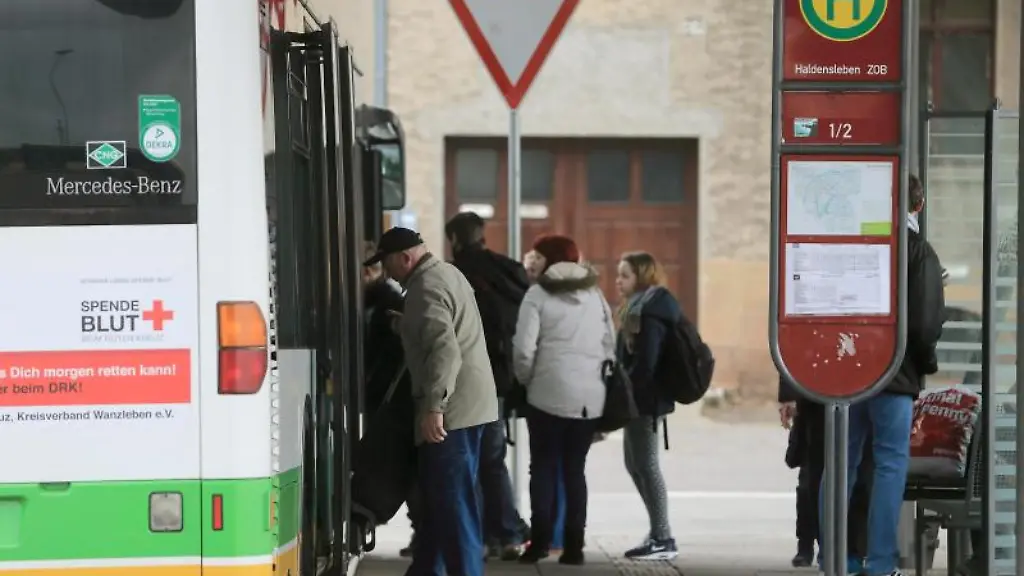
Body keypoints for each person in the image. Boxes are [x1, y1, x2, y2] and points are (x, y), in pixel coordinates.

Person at [817, 174, 945, 576]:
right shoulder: (918, 252)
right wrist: (924, 363)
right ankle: (882, 562)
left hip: (847, 368)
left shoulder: (853, 244)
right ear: (918, 205)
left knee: (841, 463)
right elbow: (924, 327)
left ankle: (837, 558)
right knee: (890, 464)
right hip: (895, 373)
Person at [365, 227, 500, 576]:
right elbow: (441, 330)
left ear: (405, 258)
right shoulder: (448, 273)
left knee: (454, 506)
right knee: (441, 502)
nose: (387, 273)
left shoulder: (423, 289)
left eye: (387, 264)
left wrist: (433, 407)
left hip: (452, 412)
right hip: (475, 404)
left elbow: (444, 351)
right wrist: (405, 326)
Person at [513, 234, 612, 565]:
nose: (534, 262)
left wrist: (528, 381)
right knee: (574, 470)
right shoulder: (594, 295)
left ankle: (539, 544)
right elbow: (609, 344)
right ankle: (574, 548)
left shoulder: (538, 294)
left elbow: (523, 349)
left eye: (539, 257)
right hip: (589, 400)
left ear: (551, 260)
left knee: (542, 468)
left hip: (545, 396)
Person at [444, 212, 530, 560]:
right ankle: (507, 534)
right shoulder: (511, 272)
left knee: (469, 462)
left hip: (467, 379)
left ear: (454, 239)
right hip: (502, 379)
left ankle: (474, 538)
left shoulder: (454, 274)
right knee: (493, 460)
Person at [613, 251, 679, 560]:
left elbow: (647, 362)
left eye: (624, 275)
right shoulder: (636, 308)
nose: (618, 281)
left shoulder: (650, 312)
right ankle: (658, 531)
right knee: (634, 464)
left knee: (647, 465)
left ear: (641, 276)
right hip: (636, 399)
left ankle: (663, 537)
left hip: (645, 400)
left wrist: (627, 389)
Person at [779, 383, 873, 571]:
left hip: (829, 390)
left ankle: (839, 550)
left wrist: (788, 395)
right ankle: (826, 548)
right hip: (824, 392)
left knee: (830, 473)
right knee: (819, 474)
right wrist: (789, 394)